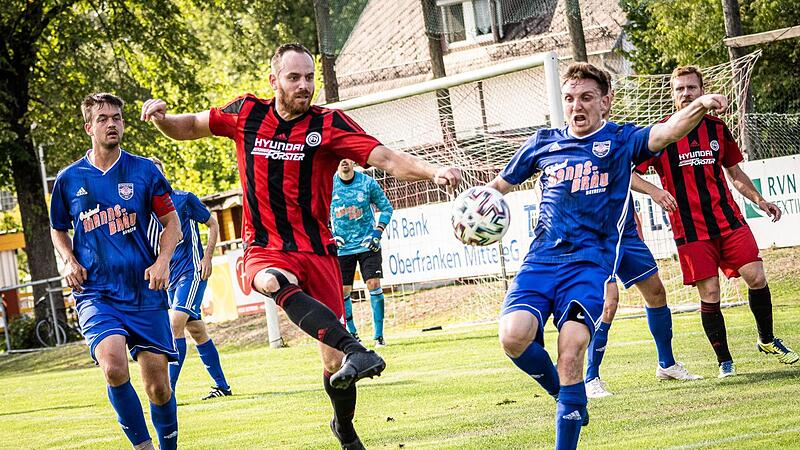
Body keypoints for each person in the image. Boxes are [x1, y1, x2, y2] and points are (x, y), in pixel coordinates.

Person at [140, 43, 460, 449]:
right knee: (272, 281)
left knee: (332, 364)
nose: (304, 86)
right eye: (294, 78)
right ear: (273, 80)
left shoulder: (329, 125)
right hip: (265, 247)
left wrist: (433, 172)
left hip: (318, 251)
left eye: (309, 77)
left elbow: (385, 158)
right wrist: (161, 119)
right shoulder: (246, 113)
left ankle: (344, 426)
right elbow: (190, 126)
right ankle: (356, 348)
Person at [486, 62, 728, 449]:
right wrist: (474, 211)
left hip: (589, 265)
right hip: (540, 262)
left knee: (571, 351)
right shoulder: (542, 143)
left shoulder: (620, 140)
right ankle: (569, 397)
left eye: (585, 98)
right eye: (569, 99)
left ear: (605, 102)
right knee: (512, 338)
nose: (576, 106)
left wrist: (699, 105)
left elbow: (666, 132)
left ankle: (571, 411)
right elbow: (497, 188)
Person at [632, 65, 798, 378]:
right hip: (691, 230)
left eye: (691, 88)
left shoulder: (717, 129)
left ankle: (766, 339)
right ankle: (725, 362)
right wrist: (655, 191)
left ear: (701, 91)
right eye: (679, 89)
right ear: (672, 95)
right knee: (710, 295)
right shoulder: (660, 134)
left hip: (728, 221)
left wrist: (760, 200)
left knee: (757, 276)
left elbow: (735, 173)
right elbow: (626, 172)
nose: (685, 94)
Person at [50, 93, 181, 450]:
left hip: (144, 292)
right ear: (88, 126)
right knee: (113, 367)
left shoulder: (144, 171)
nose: (112, 123)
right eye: (104, 118)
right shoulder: (68, 179)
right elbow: (58, 228)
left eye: (118, 117)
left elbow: (173, 223)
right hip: (96, 293)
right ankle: (142, 447)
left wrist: (162, 261)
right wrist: (68, 259)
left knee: (158, 387)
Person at [584, 71, 701, 399]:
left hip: (625, 233)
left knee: (656, 292)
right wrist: (652, 190)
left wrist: (648, 192)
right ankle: (590, 379)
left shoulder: (622, 136)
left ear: (607, 101)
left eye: (597, 95)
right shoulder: (580, 141)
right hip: (596, 238)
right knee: (608, 303)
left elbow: (629, 169)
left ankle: (666, 363)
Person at [147, 157, 232, 400]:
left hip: (191, 271)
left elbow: (213, 224)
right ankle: (222, 386)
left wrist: (207, 257)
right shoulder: (145, 209)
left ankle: (167, 392)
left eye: (158, 172)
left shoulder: (184, 199)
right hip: (169, 278)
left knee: (174, 325)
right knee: (196, 331)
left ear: (164, 176)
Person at [331, 159, 394, 347]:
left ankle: (379, 336)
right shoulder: (328, 185)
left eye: (346, 158)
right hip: (342, 248)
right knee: (343, 290)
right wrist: (331, 235)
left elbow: (386, 208)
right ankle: (352, 334)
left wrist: (377, 232)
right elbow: (319, 213)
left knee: (373, 284)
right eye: (339, 157)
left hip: (368, 244)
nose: (343, 161)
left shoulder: (367, 183)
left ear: (352, 161)